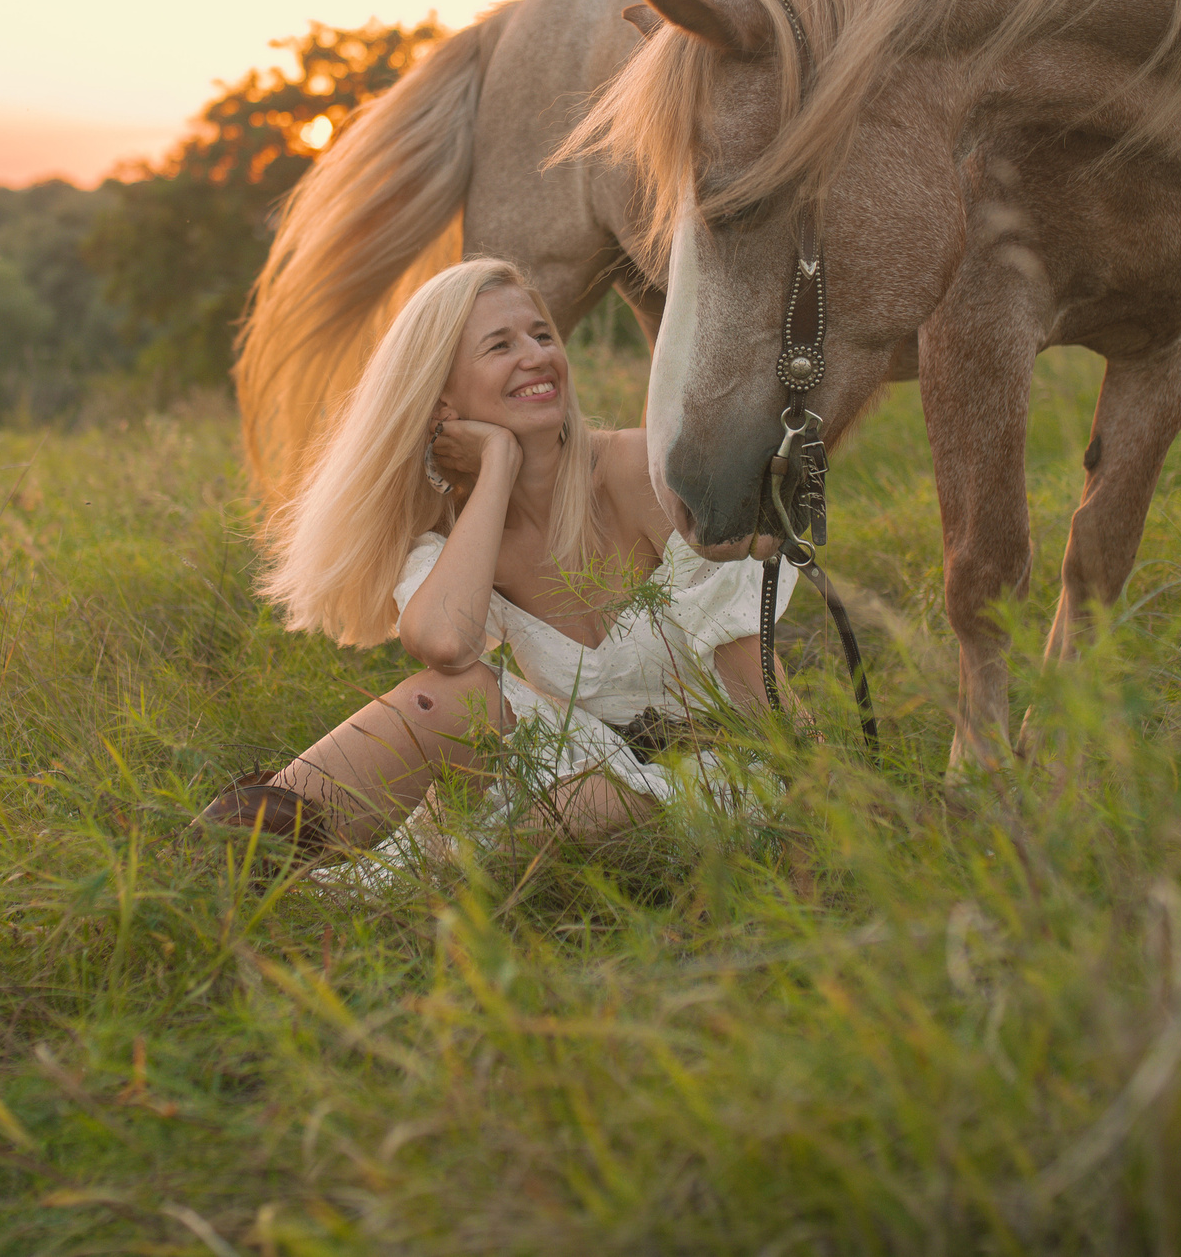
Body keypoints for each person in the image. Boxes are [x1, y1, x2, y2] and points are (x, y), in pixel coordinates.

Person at [200, 257, 793, 866]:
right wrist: (497, 468)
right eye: (500, 345)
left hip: (719, 772)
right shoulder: (460, 530)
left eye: (542, 335)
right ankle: (222, 867)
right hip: (580, 758)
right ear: (441, 395)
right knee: (443, 698)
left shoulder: (645, 476)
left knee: (587, 805)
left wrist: (821, 805)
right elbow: (446, 649)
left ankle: (376, 891)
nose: (537, 356)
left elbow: (768, 703)